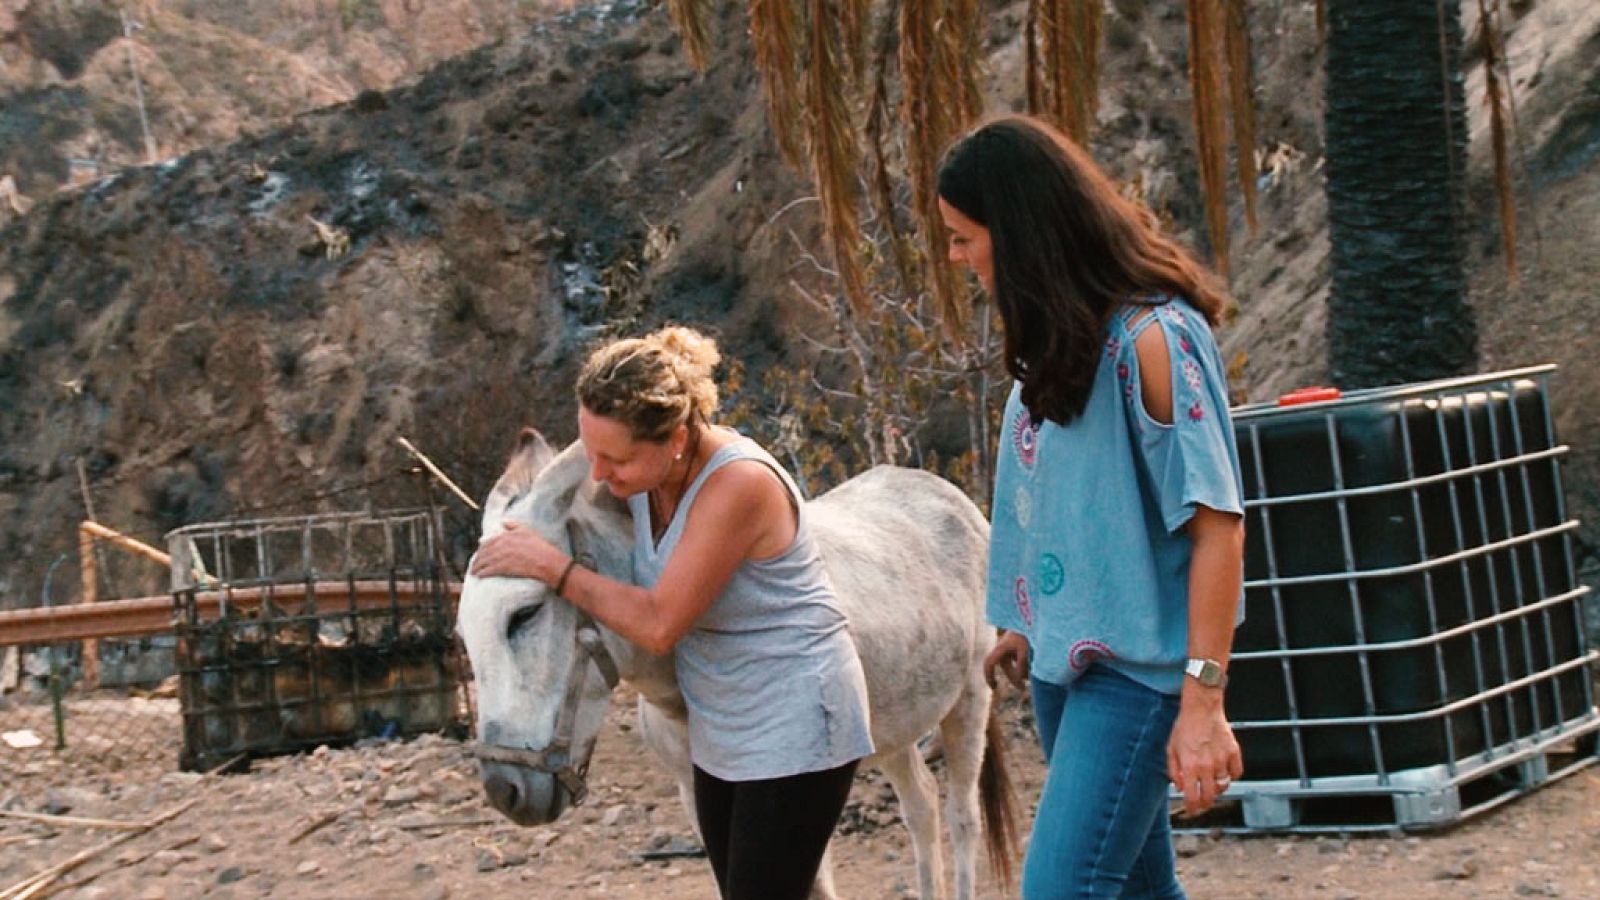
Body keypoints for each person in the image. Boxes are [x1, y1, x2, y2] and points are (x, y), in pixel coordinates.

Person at [937, 115, 1246, 899]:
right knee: (1141, 892)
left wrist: (1203, 702)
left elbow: (1219, 527)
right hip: (1059, 665)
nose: (957, 257)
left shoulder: (1156, 339)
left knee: (1061, 890)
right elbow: (1070, 502)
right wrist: (1023, 618)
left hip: (1138, 677)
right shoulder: (1062, 335)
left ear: (1021, 233)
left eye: (964, 236)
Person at [468, 326, 873, 900]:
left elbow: (660, 624)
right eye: (592, 454)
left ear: (677, 438)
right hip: (720, 724)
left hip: (797, 717)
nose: (601, 476)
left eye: (616, 459)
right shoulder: (646, 477)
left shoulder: (739, 485)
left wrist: (554, 570)